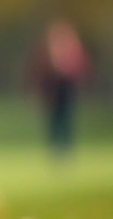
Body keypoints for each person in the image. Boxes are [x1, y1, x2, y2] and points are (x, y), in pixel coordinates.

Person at [28, 20, 89, 161]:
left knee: (66, 120)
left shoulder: (72, 51)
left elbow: (81, 69)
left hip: (66, 90)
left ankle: (66, 151)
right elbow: (38, 72)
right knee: (54, 122)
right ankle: (56, 151)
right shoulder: (47, 53)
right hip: (52, 92)